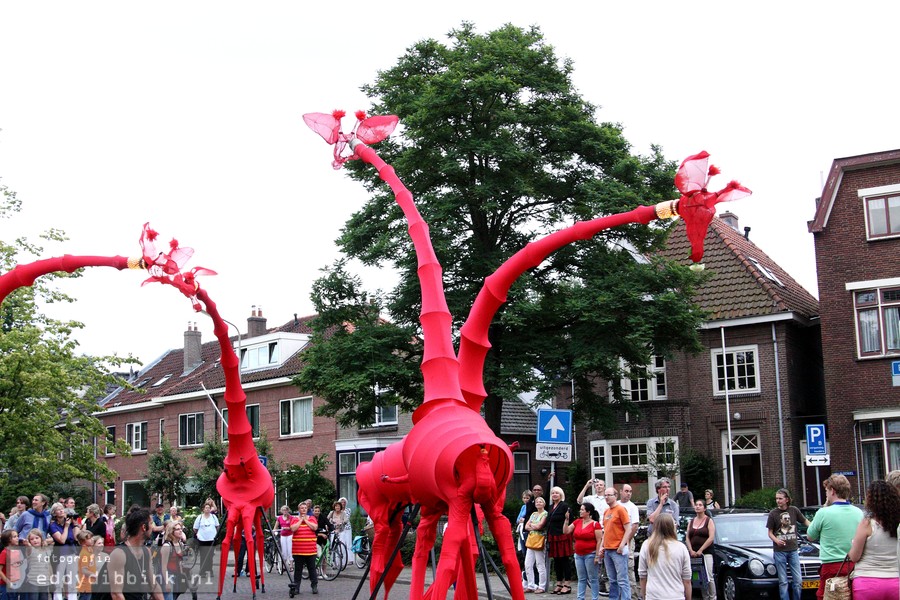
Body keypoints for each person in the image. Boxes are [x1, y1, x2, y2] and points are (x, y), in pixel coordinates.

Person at [806, 474, 863, 599]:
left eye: (826, 490)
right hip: (854, 566)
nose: (826, 494)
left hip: (830, 566)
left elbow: (810, 536)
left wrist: (825, 508)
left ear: (832, 491)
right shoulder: (859, 513)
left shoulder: (823, 513)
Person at [847, 479, 899, 598]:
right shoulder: (898, 525)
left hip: (867, 582)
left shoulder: (866, 524)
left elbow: (854, 556)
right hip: (896, 581)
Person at [104, 507, 164, 600]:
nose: (153, 527)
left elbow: (153, 585)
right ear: (144, 527)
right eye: (151, 523)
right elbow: (116, 594)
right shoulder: (119, 554)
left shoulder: (146, 551)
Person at [765, 488, 808, 600]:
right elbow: (769, 533)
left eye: (780, 498)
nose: (778, 501)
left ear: (787, 499)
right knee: (783, 582)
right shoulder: (773, 514)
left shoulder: (794, 510)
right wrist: (776, 540)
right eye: (776, 498)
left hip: (793, 550)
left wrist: (815, 527)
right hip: (780, 552)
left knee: (798, 581)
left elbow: (805, 521)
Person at [638, 513, 691, 600]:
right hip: (676, 595)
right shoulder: (681, 548)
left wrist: (644, 596)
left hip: (653, 595)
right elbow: (687, 580)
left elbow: (642, 576)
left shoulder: (647, 545)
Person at [564, 503, 601, 600]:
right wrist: (566, 520)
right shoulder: (577, 522)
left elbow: (599, 541)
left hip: (590, 554)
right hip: (578, 554)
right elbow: (566, 531)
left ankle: (594, 598)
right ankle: (580, 598)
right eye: (580, 509)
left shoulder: (595, 524)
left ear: (588, 512)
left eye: (582, 510)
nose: (580, 511)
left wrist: (597, 555)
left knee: (593, 578)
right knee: (581, 578)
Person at [600, 489, 631, 600]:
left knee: (622, 579)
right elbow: (606, 530)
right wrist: (601, 546)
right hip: (608, 549)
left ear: (616, 496)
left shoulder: (621, 510)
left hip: (618, 550)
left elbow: (628, 529)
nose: (607, 497)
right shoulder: (606, 512)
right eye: (605, 495)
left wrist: (622, 545)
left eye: (609, 495)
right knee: (612, 579)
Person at [49, 502, 80, 600]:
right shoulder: (53, 525)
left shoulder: (69, 523)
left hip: (72, 552)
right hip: (60, 554)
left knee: (72, 580)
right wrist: (66, 527)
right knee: (59, 581)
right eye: (58, 509)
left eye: (62, 508)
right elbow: (61, 540)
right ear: (54, 513)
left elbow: (76, 538)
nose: (61, 510)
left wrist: (75, 525)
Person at [687, 499, 717, 600]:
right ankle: (705, 596)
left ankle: (713, 597)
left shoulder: (709, 520)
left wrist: (701, 550)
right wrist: (691, 550)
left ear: (704, 508)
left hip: (706, 553)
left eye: (700, 505)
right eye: (696, 505)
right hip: (693, 554)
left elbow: (711, 537)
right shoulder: (691, 521)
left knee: (709, 575)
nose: (697, 506)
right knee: (699, 575)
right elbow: (687, 537)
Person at [547, 486, 573, 595]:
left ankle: (567, 584)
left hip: (562, 536)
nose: (554, 494)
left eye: (557, 493)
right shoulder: (551, 507)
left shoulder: (564, 506)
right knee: (556, 561)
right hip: (553, 536)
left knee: (564, 560)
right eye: (553, 493)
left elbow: (570, 521)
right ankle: (559, 583)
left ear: (561, 494)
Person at [618, 485, 641, 600]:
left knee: (629, 567)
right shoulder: (616, 505)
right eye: (626, 491)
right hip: (615, 540)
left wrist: (626, 540)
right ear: (621, 491)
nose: (628, 493)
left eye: (630, 491)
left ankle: (633, 595)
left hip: (628, 540)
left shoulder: (632, 507)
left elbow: (635, 526)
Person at [290, 503, 317, 595]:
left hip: (310, 550)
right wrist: (300, 520)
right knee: (298, 570)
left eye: (305, 508)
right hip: (298, 550)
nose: (304, 509)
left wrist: (306, 520)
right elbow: (293, 529)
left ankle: (314, 586)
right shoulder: (294, 519)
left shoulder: (312, 518)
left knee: (312, 569)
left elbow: (314, 527)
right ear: (299, 510)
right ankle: (296, 587)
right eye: (302, 508)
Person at [191, 501, 219, 590]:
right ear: (203, 509)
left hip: (211, 539)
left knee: (210, 555)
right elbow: (195, 528)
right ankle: (202, 571)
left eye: (208, 508)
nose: (207, 509)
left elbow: (217, 526)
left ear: (210, 509)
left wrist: (213, 533)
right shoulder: (199, 518)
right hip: (202, 539)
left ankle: (209, 570)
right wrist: (200, 534)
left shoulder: (214, 517)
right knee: (203, 555)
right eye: (205, 508)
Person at [524, 496, 549, 594]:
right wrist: (535, 527)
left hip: (539, 540)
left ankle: (542, 586)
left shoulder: (545, 514)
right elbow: (526, 526)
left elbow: (540, 526)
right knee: (528, 564)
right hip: (531, 541)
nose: (538, 503)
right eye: (537, 502)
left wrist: (533, 526)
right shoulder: (533, 514)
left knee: (540, 564)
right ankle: (531, 585)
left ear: (544, 504)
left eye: (540, 502)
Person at [159, 521, 187, 600]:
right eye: (177, 529)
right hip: (168, 576)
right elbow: (163, 567)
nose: (181, 530)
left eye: (181, 528)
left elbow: (180, 562)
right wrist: (167, 583)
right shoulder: (167, 546)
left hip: (177, 575)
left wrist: (182, 576)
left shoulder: (180, 544)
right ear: (172, 532)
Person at [24, 530, 53, 600]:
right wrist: (27, 544)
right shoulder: (31, 550)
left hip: (45, 581)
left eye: (37, 538)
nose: (35, 540)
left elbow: (53, 540)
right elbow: (29, 547)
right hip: (33, 581)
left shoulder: (46, 550)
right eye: (32, 539)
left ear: (41, 539)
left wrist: (45, 541)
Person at [1, 530, 25, 600]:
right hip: (6, 586)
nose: (17, 538)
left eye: (17, 536)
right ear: (8, 540)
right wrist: (8, 582)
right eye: (14, 537)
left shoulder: (18, 552)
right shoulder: (4, 553)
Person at [75, 532, 97, 600]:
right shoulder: (84, 554)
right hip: (85, 586)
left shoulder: (89, 552)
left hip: (90, 585)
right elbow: (84, 570)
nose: (92, 539)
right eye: (89, 538)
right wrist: (95, 575)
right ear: (83, 542)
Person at [276, 506, 295, 573]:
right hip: (283, 535)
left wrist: (288, 528)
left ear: (288, 510)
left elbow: (293, 527)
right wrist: (274, 531)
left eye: (286, 510)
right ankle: (284, 566)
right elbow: (275, 527)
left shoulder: (291, 518)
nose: (285, 511)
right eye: (283, 510)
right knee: (284, 551)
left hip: (290, 535)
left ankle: (291, 566)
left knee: (290, 550)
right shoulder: (280, 518)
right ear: (281, 511)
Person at [516, 491, 533, 558]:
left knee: (527, 548)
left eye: (527, 498)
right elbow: (518, 519)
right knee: (523, 548)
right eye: (524, 498)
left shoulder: (531, 506)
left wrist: (524, 520)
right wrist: (519, 520)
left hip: (526, 528)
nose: (525, 499)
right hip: (521, 528)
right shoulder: (523, 507)